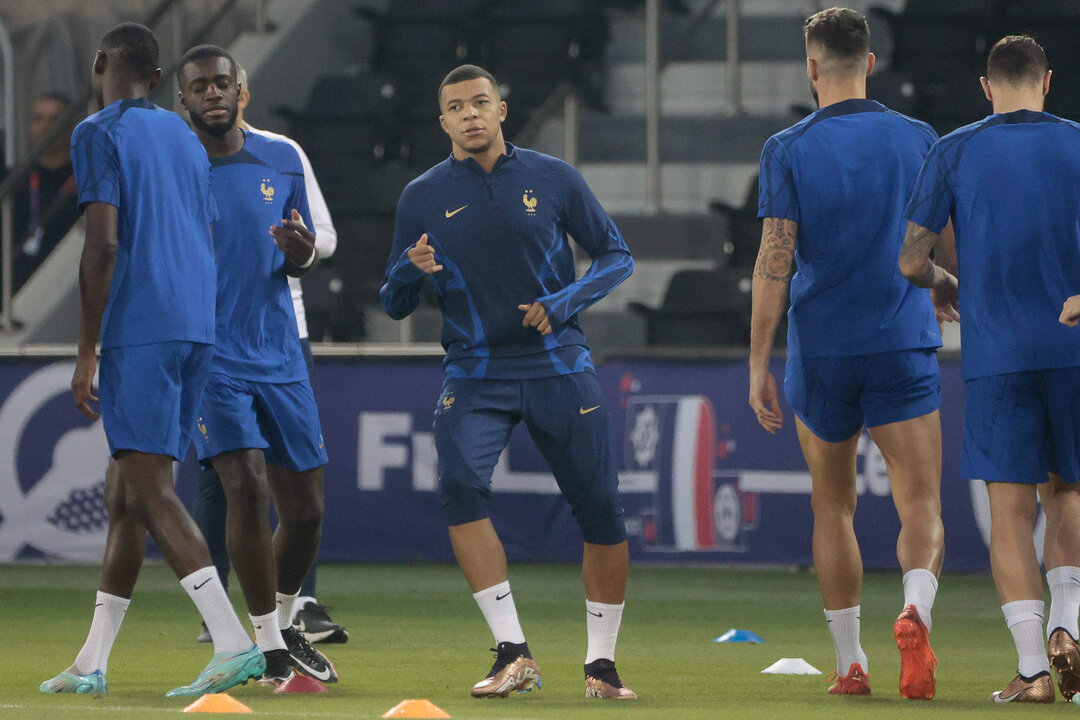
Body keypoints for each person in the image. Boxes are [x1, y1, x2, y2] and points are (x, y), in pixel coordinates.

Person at [381, 64, 636, 700]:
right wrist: (410, 273)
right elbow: (393, 303)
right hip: (474, 372)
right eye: (456, 107)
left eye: (480, 102)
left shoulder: (553, 178)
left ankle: (601, 670)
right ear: (442, 121)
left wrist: (567, 299)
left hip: (558, 366)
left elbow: (617, 254)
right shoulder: (420, 195)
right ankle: (513, 652)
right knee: (461, 492)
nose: (470, 114)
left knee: (600, 508)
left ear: (502, 109)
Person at [39, 23, 263, 699]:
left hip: (142, 326)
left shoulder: (97, 131)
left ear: (102, 61)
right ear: (164, 78)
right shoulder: (184, 137)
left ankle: (230, 641)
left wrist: (86, 348)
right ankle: (92, 660)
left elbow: (101, 244)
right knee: (126, 494)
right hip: (197, 325)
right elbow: (206, 231)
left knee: (150, 489)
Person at [748, 7, 946, 699]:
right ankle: (915, 609)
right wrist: (943, 284)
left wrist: (757, 365)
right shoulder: (919, 138)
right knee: (919, 502)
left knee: (832, 507)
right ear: (871, 62)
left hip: (822, 351)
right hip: (899, 341)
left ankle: (850, 663)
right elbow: (931, 248)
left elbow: (774, 264)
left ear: (811, 67)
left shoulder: (787, 148)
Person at [901, 34, 1080, 704]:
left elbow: (909, 261)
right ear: (1048, 80)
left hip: (998, 356)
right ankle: (1068, 625)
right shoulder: (1078, 142)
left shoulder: (955, 149)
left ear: (985, 87)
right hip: (1073, 347)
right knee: (1068, 495)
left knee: (1009, 513)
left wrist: (945, 278)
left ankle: (1034, 669)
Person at [176, 44, 336, 687]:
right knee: (245, 485)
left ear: (240, 91)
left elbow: (307, 248)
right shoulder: (170, 165)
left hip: (278, 349)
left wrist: (302, 255)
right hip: (209, 354)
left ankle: (288, 622)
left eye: (221, 83)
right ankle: (266, 645)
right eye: (199, 87)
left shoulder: (283, 155)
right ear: (181, 100)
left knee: (307, 512)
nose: (211, 94)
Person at [8, 92, 80, 290]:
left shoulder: (86, 181)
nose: (45, 126)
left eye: (54, 119)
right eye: (38, 118)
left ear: (72, 127)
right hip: (15, 291)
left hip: (64, 288)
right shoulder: (15, 181)